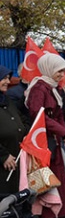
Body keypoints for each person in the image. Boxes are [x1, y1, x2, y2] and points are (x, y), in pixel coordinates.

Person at [24, 53, 65, 218]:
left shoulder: (52, 88)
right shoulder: (39, 89)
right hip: (44, 142)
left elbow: (57, 114)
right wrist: (62, 131)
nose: (62, 75)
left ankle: (61, 216)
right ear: (49, 69)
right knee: (48, 181)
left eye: (63, 71)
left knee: (57, 179)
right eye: (59, 71)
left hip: (54, 140)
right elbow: (39, 116)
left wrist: (63, 134)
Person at [0, 65, 29, 193]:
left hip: (16, 158)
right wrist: (3, 155)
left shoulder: (6, 99)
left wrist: (25, 131)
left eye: (8, 78)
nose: (8, 82)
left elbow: (21, 118)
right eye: (4, 78)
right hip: (4, 163)